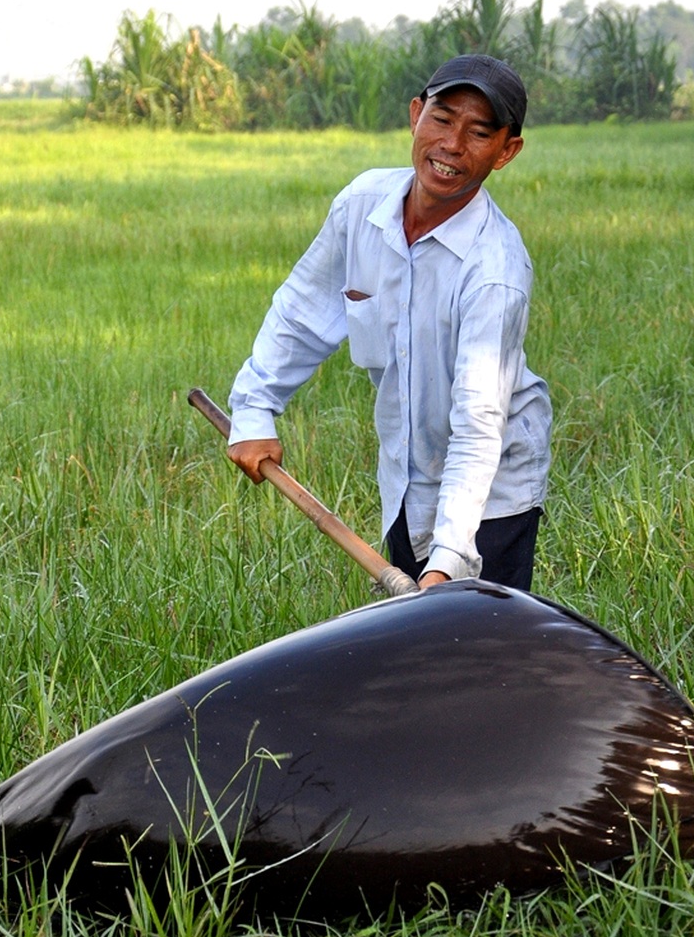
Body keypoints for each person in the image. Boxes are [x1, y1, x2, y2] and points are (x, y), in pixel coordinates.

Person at [227, 54, 551, 591]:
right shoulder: (362, 207)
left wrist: (446, 562)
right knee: (419, 658)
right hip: (406, 477)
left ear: (506, 151)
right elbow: (303, 312)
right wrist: (254, 410)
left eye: (478, 133)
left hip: (492, 495)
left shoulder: (494, 271)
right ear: (415, 115)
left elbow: (478, 422)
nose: (451, 145)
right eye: (442, 120)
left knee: (482, 659)